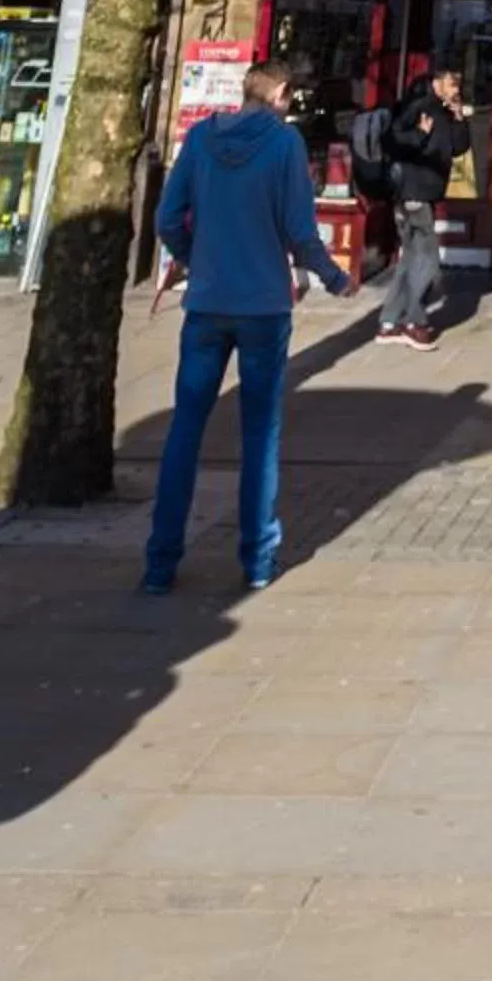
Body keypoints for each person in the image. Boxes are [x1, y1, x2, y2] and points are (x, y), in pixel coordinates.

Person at [142, 62, 354, 596]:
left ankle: (160, 563)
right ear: (280, 93)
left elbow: (168, 218)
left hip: (208, 303)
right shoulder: (285, 146)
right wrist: (334, 278)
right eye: (289, 96)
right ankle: (257, 561)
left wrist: (196, 259)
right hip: (263, 307)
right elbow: (301, 231)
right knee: (260, 434)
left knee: (184, 431)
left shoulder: (199, 139)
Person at [376, 65, 471, 350]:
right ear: (437, 83)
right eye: (452, 84)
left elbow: (458, 147)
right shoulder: (420, 107)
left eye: (459, 86)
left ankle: (389, 322)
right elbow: (393, 141)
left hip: (423, 192)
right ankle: (413, 321)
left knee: (410, 259)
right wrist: (419, 134)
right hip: (413, 192)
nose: (456, 90)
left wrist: (457, 117)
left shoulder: (442, 111)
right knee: (427, 259)